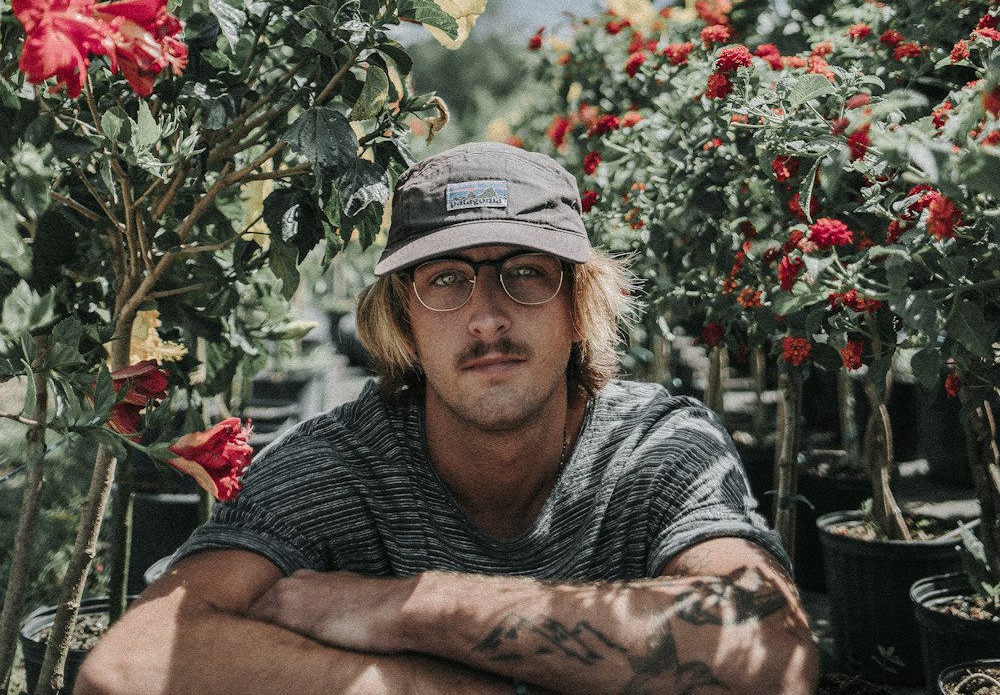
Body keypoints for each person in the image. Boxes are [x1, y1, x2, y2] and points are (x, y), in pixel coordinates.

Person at [76, 142, 818, 695]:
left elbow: (775, 653)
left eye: (527, 272)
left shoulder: (660, 448)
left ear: (577, 302)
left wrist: (416, 608)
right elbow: (127, 667)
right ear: (404, 317)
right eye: (447, 281)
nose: (487, 318)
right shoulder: (333, 466)